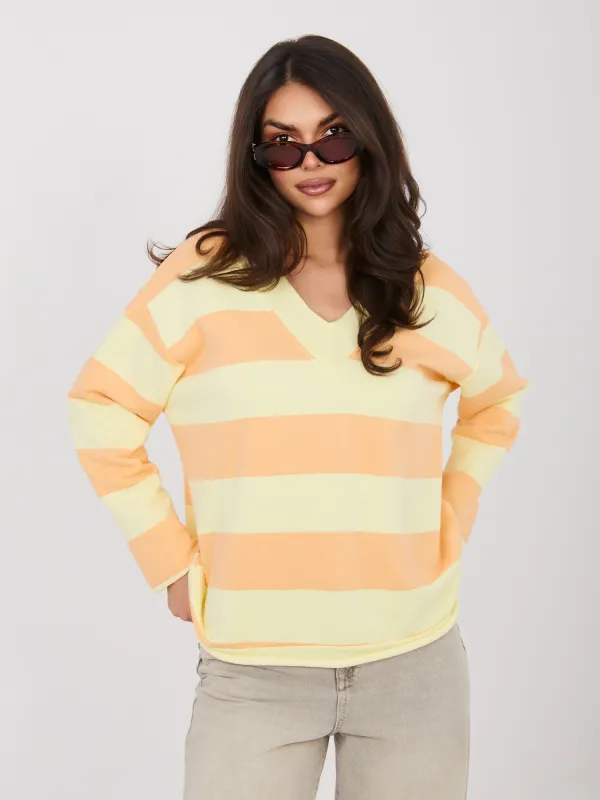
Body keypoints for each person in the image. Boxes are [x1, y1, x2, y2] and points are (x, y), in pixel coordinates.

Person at [66, 33, 529, 800]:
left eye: (333, 136)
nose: (310, 162)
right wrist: (171, 563)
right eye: (283, 144)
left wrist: (448, 517)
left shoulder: (425, 288)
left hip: (413, 664)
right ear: (256, 157)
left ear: (368, 139)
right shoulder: (202, 278)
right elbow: (101, 406)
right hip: (254, 671)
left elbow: (498, 400)